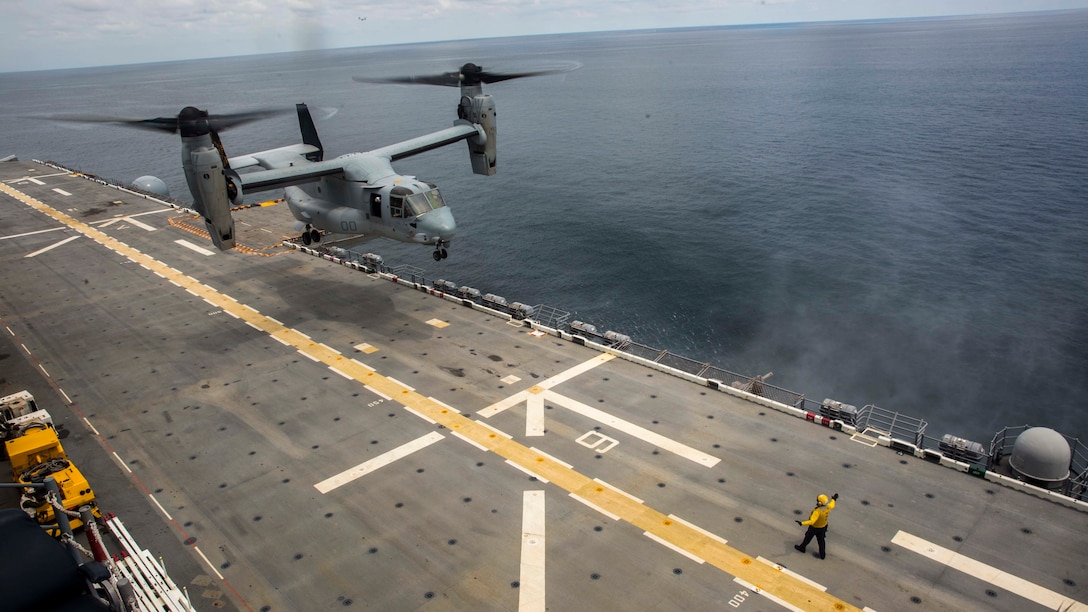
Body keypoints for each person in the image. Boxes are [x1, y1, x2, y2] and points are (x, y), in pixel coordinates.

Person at [794, 492, 838, 559]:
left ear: (820, 503)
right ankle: (822, 555)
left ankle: (802, 548)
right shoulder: (828, 506)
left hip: (814, 528)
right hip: (823, 526)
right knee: (821, 541)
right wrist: (834, 499)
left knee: (807, 538)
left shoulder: (817, 511)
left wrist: (802, 523)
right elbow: (832, 504)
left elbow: (812, 521)